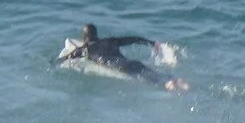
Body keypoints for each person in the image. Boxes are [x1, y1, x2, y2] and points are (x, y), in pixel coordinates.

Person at [59, 23, 188, 89]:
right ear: (96, 35)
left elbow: (64, 59)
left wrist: (52, 63)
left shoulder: (84, 49)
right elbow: (133, 39)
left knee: (154, 82)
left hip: (121, 68)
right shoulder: (110, 40)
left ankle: (170, 86)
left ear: (84, 37)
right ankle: (178, 81)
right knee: (154, 74)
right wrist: (152, 43)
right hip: (133, 62)